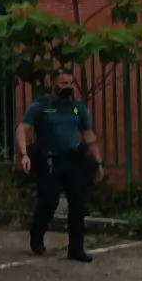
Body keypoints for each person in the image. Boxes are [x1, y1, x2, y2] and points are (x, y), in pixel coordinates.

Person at [17, 66, 102, 262]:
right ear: (53, 84)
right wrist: (24, 154)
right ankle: (37, 234)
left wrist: (98, 161)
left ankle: (76, 249)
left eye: (71, 83)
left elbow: (88, 136)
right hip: (49, 158)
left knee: (78, 203)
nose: (69, 87)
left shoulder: (77, 108)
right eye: (64, 83)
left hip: (73, 159)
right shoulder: (42, 106)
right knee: (49, 200)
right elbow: (23, 129)